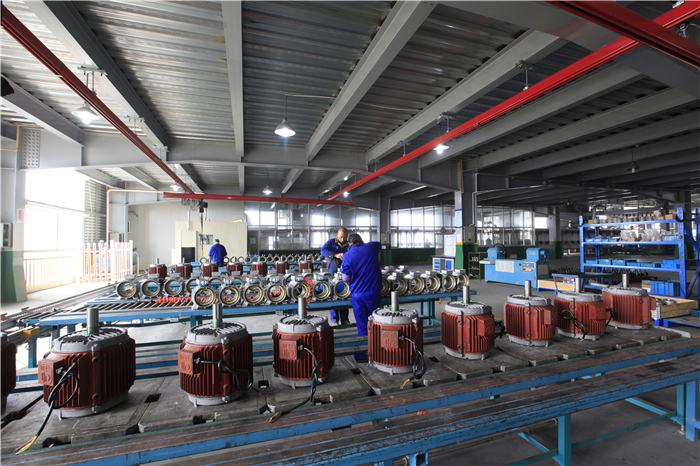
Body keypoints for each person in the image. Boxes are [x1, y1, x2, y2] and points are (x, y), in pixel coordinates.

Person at [341, 233, 382, 361]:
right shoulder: (371, 247)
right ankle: (378, 351)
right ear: (361, 240)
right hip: (374, 293)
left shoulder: (347, 255)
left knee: (362, 324)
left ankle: (364, 353)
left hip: (358, 295)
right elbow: (379, 245)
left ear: (349, 243)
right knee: (376, 321)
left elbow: (345, 278)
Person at [321, 228, 350, 325]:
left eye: (345, 237)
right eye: (341, 237)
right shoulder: (331, 242)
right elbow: (323, 251)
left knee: (345, 294)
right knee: (333, 295)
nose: (342, 239)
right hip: (332, 272)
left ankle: (345, 319)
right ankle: (334, 320)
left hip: (344, 272)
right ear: (337, 235)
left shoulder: (348, 244)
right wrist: (335, 255)